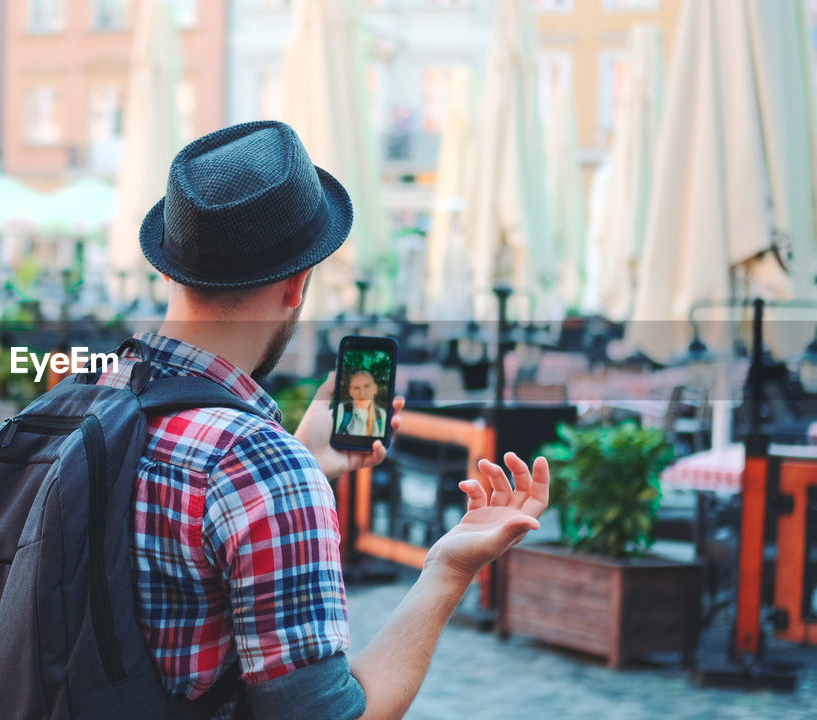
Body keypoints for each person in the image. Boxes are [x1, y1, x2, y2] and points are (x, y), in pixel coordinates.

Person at [98, 121, 549, 720]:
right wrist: (449, 567)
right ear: (296, 287)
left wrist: (298, 458)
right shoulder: (255, 464)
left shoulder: (85, 398)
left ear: (168, 271)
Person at [335, 370, 387, 437]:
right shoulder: (342, 410)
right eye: (356, 388)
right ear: (350, 392)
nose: (362, 393)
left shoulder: (381, 415)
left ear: (375, 389)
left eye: (367, 386)